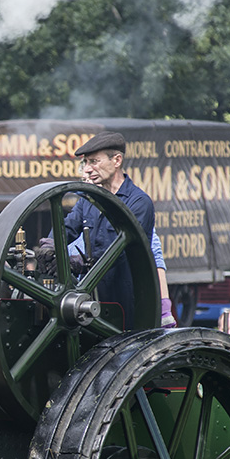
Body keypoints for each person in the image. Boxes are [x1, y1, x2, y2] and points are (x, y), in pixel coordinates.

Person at [41, 131, 154, 329]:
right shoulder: (89, 200)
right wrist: (51, 244)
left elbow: (119, 251)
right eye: (86, 163)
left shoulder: (139, 203)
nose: (87, 169)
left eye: (94, 161)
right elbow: (68, 226)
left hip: (125, 301)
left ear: (117, 160)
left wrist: (78, 261)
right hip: (91, 298)